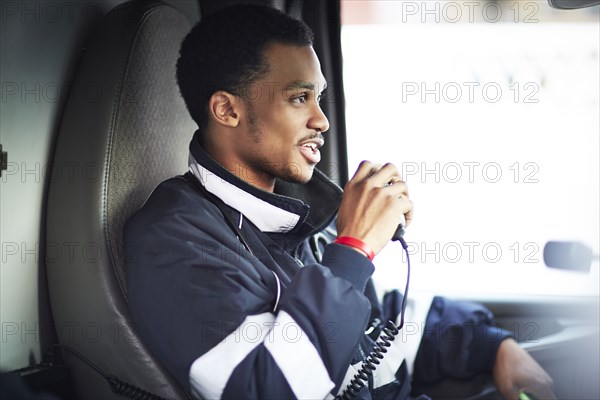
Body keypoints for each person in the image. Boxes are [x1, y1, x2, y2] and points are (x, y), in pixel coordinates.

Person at [125, 4, 555, 400]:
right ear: (227, 110)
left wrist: (492, 345)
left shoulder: (299, 220)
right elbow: (263, 388)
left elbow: (387, 322)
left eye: (319, 97)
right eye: (298, 98)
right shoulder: (173, 241)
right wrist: (353, 251)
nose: (322, 120)